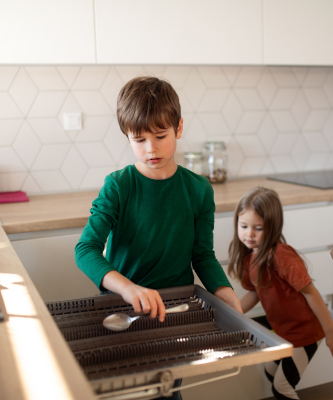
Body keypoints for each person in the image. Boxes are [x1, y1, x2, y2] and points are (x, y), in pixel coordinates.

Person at [75, 76, 242, 399]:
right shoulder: (119, 186)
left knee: (166, 390)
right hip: (124, 311)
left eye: (160, 136)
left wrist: (224, 290)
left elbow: (202, 256)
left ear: (179, 128)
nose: (150, 149)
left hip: (176, 312)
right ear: (127, 136)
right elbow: (86, 249)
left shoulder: (198, 190)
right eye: (139, 140)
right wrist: (129, 288)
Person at [228, 187, 333, 400]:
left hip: (305, 334)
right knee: (270, 373)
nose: (249, 234)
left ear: (272, 228)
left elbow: (312, 294)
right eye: (244, 226)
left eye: (258, 228)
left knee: (281, 388)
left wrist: (332, 333)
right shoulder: (249, 259)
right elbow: (255, 294)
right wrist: (232, 313)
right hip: (284, 332)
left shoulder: (280, 256)